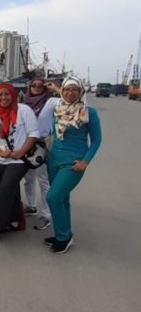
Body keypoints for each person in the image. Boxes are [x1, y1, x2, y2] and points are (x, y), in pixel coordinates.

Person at [45, 77, 102, 254]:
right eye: (67, 89)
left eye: (74, 90)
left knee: (53, 197)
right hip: (53, 160)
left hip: (73, 163)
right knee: (63, 199)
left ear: (81, 92)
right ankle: (64, 233)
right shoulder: (58, 108)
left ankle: (63, 238)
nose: (70, 93)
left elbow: (96, 140)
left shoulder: (88, 112)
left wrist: (86, 161)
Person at [0, 83, 39, 244]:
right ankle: (15, 220)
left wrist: (21, 152)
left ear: (13, 95)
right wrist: (0, 152)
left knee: (4, 189)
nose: (3, 98)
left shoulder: (23, 110)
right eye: (0, 95)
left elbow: (33, 134)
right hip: (3, 159)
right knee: (12, 189)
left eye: (6, 94)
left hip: (19, 160)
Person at [21, 78, 60, 230]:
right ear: (29, 87)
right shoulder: (24, 103)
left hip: (43, 145)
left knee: (43, 180)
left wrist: (56, 88)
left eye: (40, 85)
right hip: (27, 144)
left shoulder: (50, 102)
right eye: (33, 85)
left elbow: (69, 101)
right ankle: (31, 205)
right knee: (28, 177)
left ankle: (46, 214)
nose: (36, 88)